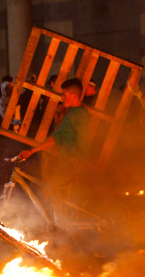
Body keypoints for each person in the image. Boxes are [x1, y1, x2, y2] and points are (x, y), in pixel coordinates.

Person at [18, 78, 91, 223]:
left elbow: (55, 138)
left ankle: (60, 224)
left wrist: (32, 151)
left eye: (65, 95)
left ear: (74, 96)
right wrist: (58, 116)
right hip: (74, 161)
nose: (62, 98)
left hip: (73, 162)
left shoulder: (74, 115)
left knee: (51, 186)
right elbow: (64, 133)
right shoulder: (81, 113)